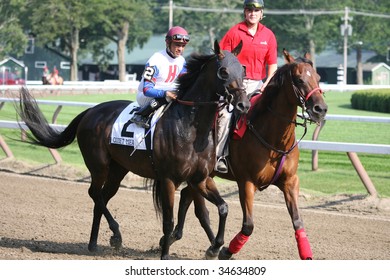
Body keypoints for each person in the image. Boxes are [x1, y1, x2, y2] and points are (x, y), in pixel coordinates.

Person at [215, 0, 278, 173]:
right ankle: (220, 157)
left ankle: (274, 158)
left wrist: (267, 83)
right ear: (245, 12)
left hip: (258, 84)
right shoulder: (234, 32)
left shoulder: (269, 36)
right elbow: (222, 58)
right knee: (225, 116)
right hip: (235, 86)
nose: (252, 13)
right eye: (249, 10)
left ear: (261, 13)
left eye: (256, 11)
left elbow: (272, 64)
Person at [131, 26, 190, 129]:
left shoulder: (181, 60)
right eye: (177, 45)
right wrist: (165, 93)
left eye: (183, 45)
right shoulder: (155, 60)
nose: (180, 49)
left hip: (167, 91)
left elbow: (184, 81)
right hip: (146, 96)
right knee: (168, 96)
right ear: (168, 43)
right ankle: (140, 115)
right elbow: (147, 90)